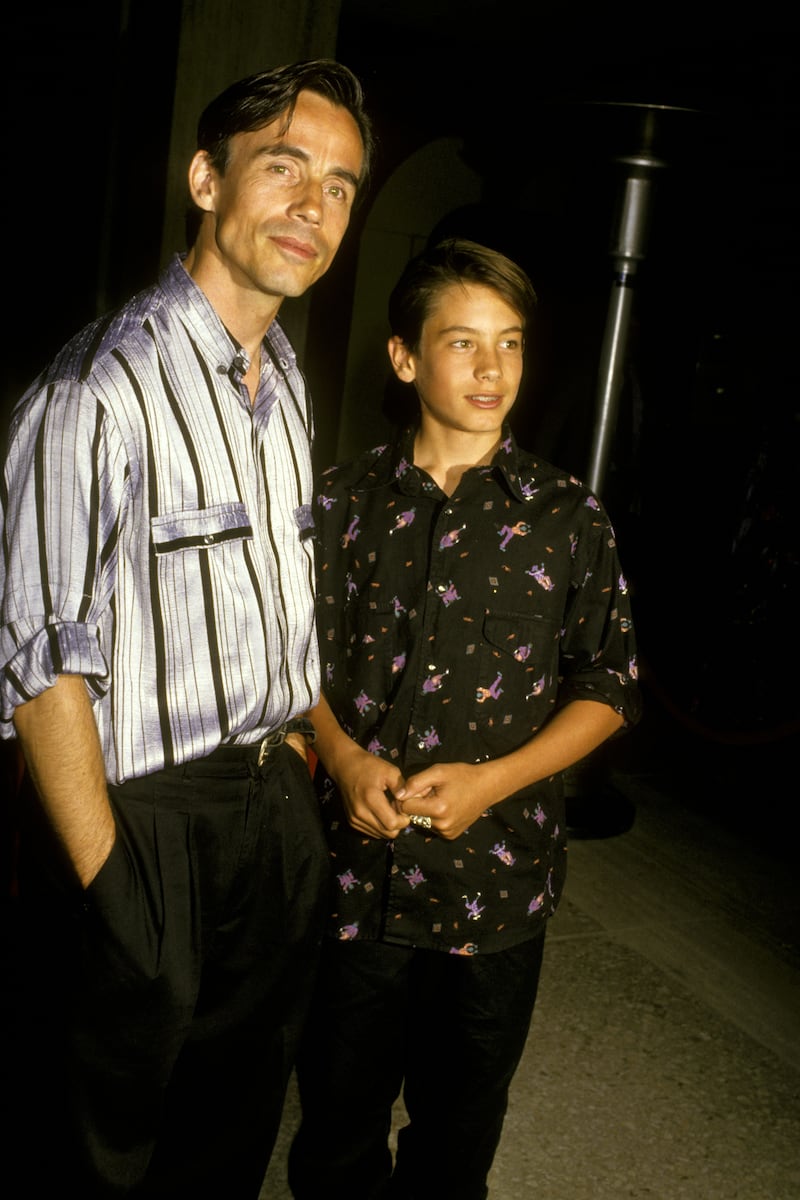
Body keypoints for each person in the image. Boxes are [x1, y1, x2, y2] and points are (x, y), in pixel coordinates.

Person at [0, 59, 372, 1199]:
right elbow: (36, 661)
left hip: (274, 812)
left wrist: (320, 762)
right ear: (207, 179)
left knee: (229, 1130)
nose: (316, 207)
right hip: (141, 823)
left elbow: (271, 611)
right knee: (98, 1145)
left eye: (344, 186)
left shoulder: (287, 381)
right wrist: (115, 890)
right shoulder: (93, 391)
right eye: (284, 167)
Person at [287, 238, 642, 1200]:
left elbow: (608, 685)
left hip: (496, 895)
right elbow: (289, 664)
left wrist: (493, 782)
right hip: (353, 886)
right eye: (463, 343)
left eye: (512, 344)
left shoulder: (570, 518)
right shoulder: (338, 504)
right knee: (333, 1132)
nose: (493, 370)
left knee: (456, 1141)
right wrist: (343, 756)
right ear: (405, 358)